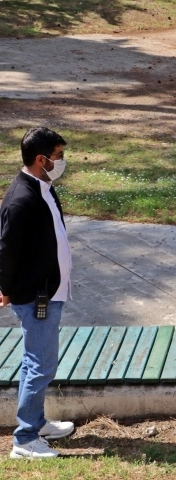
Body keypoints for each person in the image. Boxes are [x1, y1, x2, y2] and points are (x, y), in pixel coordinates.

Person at [0, 127, 75, 458]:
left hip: (50, 288)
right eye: (58, 157)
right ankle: (26, 439)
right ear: (41, 159)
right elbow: (6, 249)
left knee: (36, 362)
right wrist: (4, 288)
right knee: (40, 363)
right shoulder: (21, 199)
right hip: (35, 295)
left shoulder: (42, 186)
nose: (62, 162)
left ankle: (36, 421)